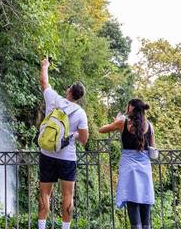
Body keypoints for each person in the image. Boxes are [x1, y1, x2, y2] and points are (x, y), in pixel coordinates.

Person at [37, 57, 89, 229]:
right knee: (68, 195)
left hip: (47, 154)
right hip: (67, 157)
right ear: (79, 97)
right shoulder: (80, 113)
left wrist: (45, 65)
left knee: (45, 193)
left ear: (68, 91)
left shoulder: (54, 99)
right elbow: (84, 139)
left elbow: (44, 81)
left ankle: (42, 226)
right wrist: (73, 135)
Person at [99, 99, 155, 229]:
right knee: (145, 200)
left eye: (127, 105)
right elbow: (153, 148)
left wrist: (115, 123)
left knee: (132, 200)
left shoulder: (122, 123)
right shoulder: (150, 126)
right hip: (145, 167)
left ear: (131, 108)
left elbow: (102, 129)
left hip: (128, 168)